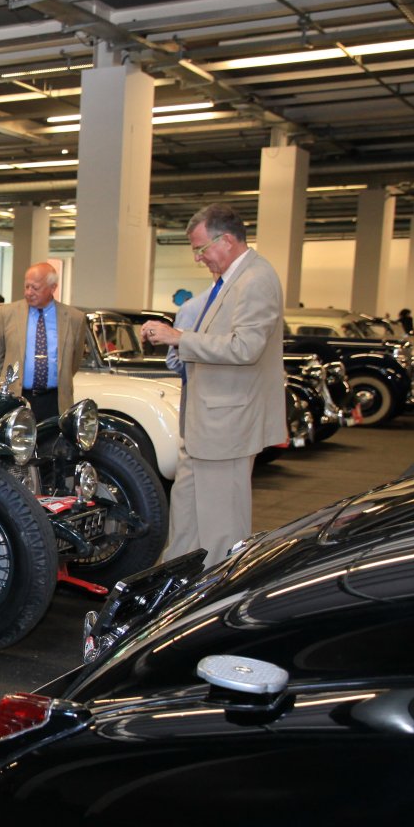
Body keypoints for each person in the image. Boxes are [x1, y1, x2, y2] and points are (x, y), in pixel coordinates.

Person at [142, 203, 285, 569]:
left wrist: (179, 338)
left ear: (227, 241)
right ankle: (177, 580)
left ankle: (221, 586)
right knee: (187, 515)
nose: (198, 258)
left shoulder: (256, 278)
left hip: (227, 424)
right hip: (205, 422)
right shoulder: (231, 280)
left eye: (201, 248)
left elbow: (246, 348)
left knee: (222, 525)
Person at [0, 262, 84, 423]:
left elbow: (74, 361)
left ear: (53, 288)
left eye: (35, 288)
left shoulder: (74, 318)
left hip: (55, 401)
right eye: (27, 286)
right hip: (17, 398)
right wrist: (10, 381)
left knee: (53, 439)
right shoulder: (7, 314)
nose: (29, 292)